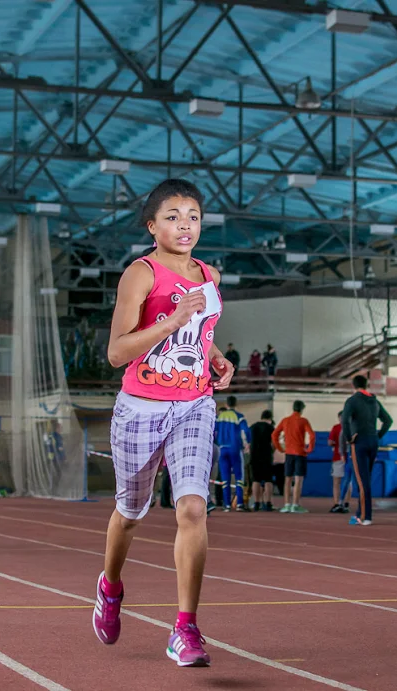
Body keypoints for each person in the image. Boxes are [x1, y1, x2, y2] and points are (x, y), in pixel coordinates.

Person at [92, 178, 234, 668]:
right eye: (172, 216)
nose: (185, 225)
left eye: (193, 215)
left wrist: (215, 356)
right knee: (130, 512)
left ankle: (185, 628)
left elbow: (201, 331)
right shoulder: (141, 274)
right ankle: (110, 587)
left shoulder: (209, 275)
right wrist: (172, 321)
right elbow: (116, 352)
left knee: (193, 508)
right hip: (141, 407)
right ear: (152, 226)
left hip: (194, 404)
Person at [342, 374, 393, 526]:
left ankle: (366, 516)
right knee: (365, 479)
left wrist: (348, 438)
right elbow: (388, 421)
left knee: (362, 481)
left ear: (353, 386)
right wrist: (378, 436)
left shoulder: (352, 401)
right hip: (373, 442)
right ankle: (360, 513)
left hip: (359, 442)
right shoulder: (374, 401)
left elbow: (344, 420)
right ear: (366, 385)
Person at [273, 400, 315, 513]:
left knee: (287, 479)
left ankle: (287, 504)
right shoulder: (303, 421)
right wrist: (310, 449)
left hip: (289, 453)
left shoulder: (285, 420)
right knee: (298, 479)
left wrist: (280, 448)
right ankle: (295, 504)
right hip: (300, 453)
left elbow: (274, 434)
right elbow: (312, 434)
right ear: (302, 409)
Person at [214, 396, 251, 511]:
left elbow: (213, 430)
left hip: (222, 449)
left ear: (226, 404)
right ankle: (239, 504)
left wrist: (216, 442)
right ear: (235, 404)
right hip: (235, 449)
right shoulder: (239, 416)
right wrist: (248, 443)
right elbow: (246, 430)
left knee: (225, 478)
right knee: (239, 477)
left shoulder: (219, 417)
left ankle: (227, 505)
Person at [249, 411, 276, 512]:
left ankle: (256, 503)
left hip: (254, 456)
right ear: (270, 418)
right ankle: (268, 503)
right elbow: (274, 443)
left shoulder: (253, 427)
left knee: (256, 480)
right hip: (266, 456)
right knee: (268, 480)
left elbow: (249, 441)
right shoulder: (271, 428)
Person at [329, 411, 356, 513]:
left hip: (349, 457)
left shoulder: (349, 428)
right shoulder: (338, 428)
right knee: (338, 481)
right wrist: (341, 454)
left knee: (347, 480)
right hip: (341, 457)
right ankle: (338, 503)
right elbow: (336, 441)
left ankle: (344, 503)